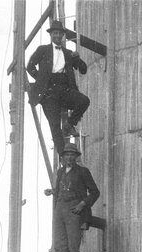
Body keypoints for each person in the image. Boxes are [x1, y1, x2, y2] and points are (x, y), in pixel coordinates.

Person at [25, 19, 90, 154]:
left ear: (63, 35)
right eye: (55, 33)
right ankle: (63, 156)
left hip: (64, 89)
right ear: (51, 35)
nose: (57, 36)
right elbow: (30, 66)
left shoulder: (68, 53)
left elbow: (83, 69)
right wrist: (42, 81)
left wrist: (77, 58)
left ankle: (70, 124)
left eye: (60, 34)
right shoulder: (42, 50)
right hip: (49, 93)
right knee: (55, 127)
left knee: (84, 101)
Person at [48, 141, 100, 252]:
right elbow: (60, 189)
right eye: (67, 155)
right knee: (59, 245)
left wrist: (82, 204)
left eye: (72, 155)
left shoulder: (83, 172)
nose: (69, 158)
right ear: (63, 157)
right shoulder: (60, 172)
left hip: (74, 209)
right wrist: (52, 191)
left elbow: (95, 192)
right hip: (59, 209)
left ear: (76, 157)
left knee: (72, 244)